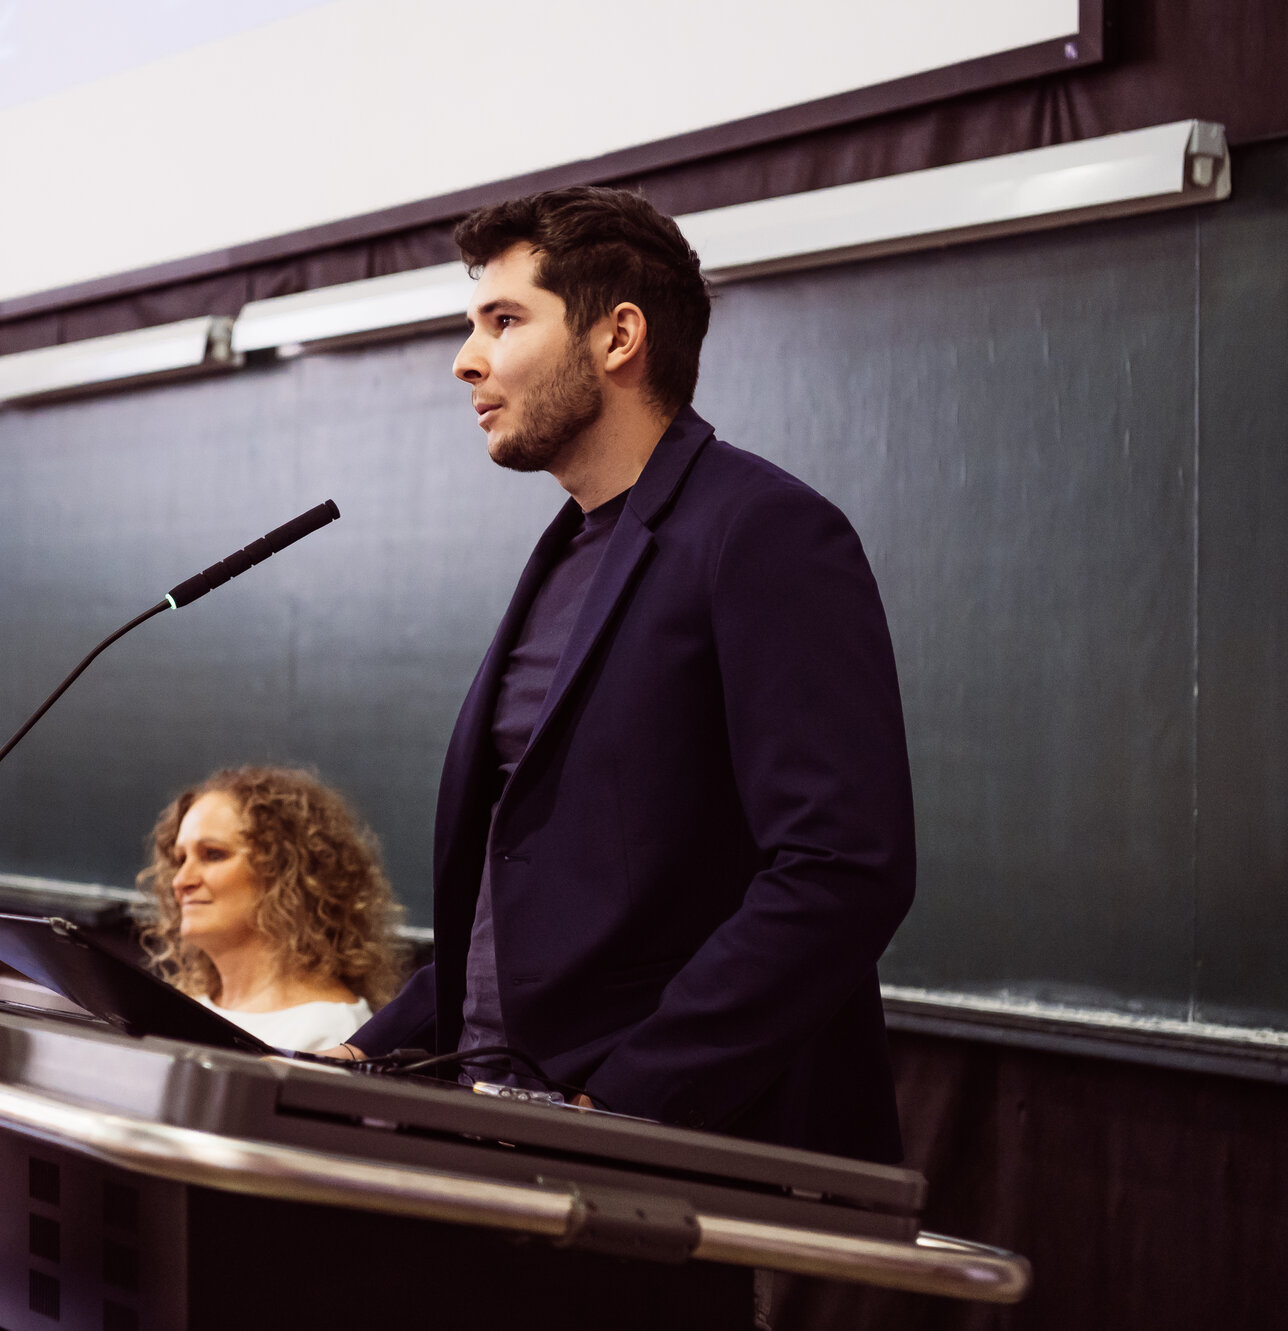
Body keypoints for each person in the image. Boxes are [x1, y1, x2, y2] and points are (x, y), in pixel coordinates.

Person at [334, 187, 915, 1164]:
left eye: (503, 320)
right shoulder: (566, 550)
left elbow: (840, 870)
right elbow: (526, 912)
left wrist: (621, 1105)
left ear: (618, 337)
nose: (465, 359)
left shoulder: (763, 531)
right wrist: (365, 1049)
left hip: (673, 1162)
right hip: (501, 1133)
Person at [138, 767, 402, 1053]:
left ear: (286, 870)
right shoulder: (184, 1008)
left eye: (213, 854)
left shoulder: (332, 1033)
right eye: (180, 859)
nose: (181, 881)